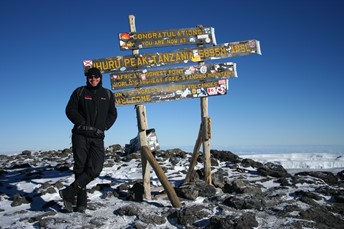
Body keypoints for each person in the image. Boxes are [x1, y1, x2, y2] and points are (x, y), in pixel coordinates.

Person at [60, 67, 117, 213]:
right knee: (80, 168)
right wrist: (82, 123)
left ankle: (69, 193)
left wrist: (104, 126)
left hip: (97, 137)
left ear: (100, 78)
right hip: (80, 135)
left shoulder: (108, 94)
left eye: (96, 77)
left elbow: (113, 113)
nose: (94, 80)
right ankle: (81, 204)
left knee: (95, 169)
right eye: (91, 77)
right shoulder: (79, 92)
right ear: (87, 78)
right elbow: (70, 110)